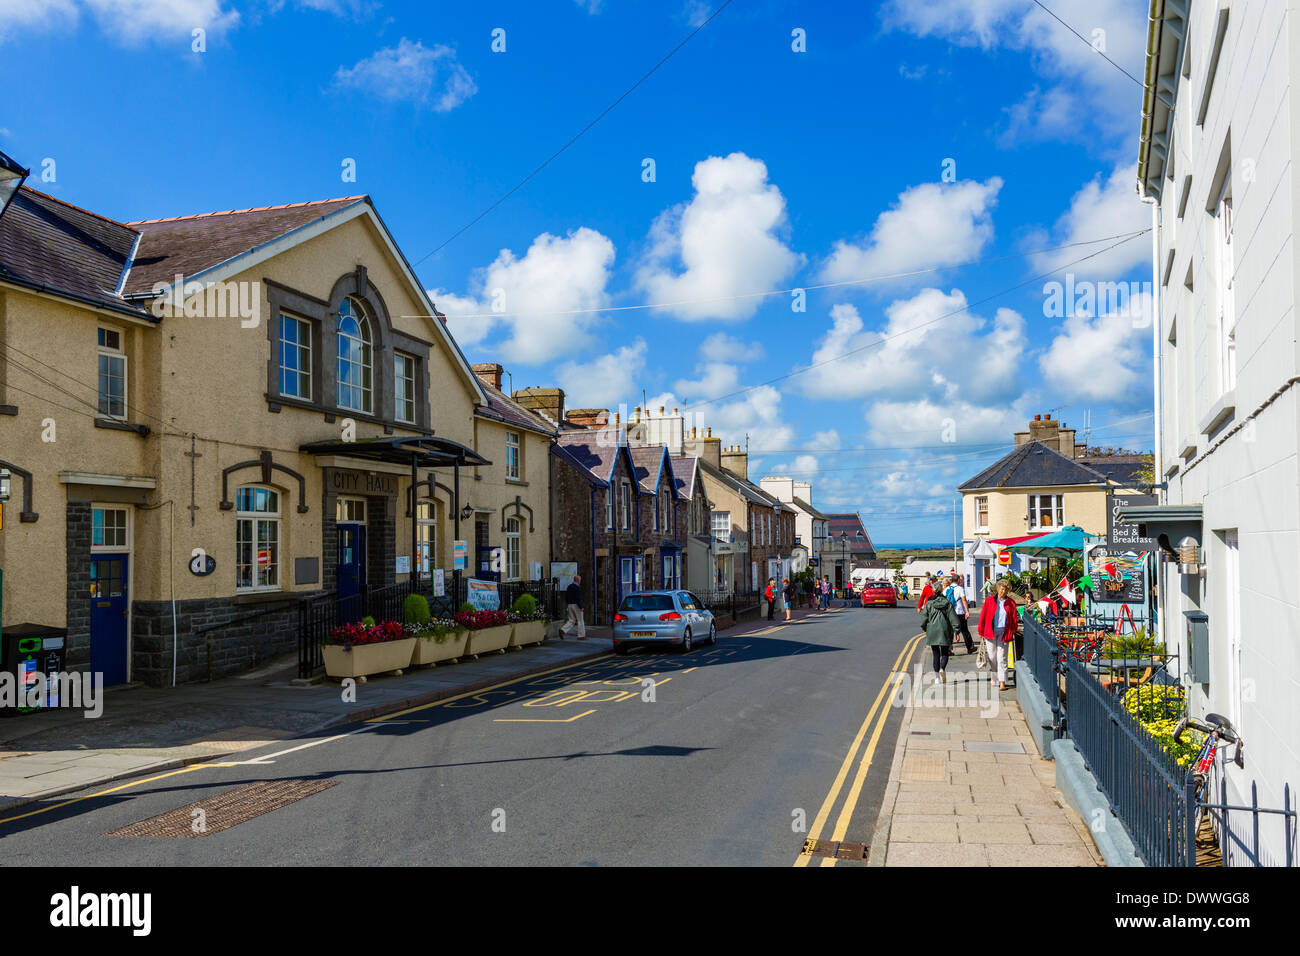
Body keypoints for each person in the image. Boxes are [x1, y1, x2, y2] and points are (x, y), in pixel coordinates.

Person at [978, 578, 1019, 691]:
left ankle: (1002, 682)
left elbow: (1014, 618)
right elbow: (983, 615)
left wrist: (1013, 631)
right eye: (1001, 589)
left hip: (1004, 632)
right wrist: (980, 630)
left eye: (1005, 590)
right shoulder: (990, 600)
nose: (1003, 592)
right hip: (990, 632)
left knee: (1002, 657)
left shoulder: (1011, 602)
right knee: (992, 657)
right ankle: (994, 675)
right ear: (997, 589)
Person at [921, 583, 960, 684]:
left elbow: (923, 619)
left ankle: (937, 678)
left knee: (935, 654)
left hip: (932, 630)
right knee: (945, 653)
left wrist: (926, 628)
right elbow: (953, 618)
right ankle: (942, 668)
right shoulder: (947, 603)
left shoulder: (929, 604)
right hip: (945, 630)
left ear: (933, 591)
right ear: (942, 590)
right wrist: (957, 631)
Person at [945, 574, 975, 655]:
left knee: (950, 631)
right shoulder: (960, 589)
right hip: (959, 612)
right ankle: (970, 647)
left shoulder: (947, 589)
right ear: (958, 580)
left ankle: (949, 649)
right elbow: (964, 600)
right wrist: (967, 611)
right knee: (964, 630)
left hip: (949, 613)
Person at [559, 574, 586, 640]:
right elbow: (578, 598)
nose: (580, 582)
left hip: (569, 605)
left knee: (571, 620)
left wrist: (568, 604)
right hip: (576, 605)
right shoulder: (577, 588)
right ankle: (581, 636)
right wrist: (581, 606)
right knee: (580, 620)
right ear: (578, 580)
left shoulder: (569, 586)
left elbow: (566, 597)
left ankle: (563, 630)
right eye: (580, 580)